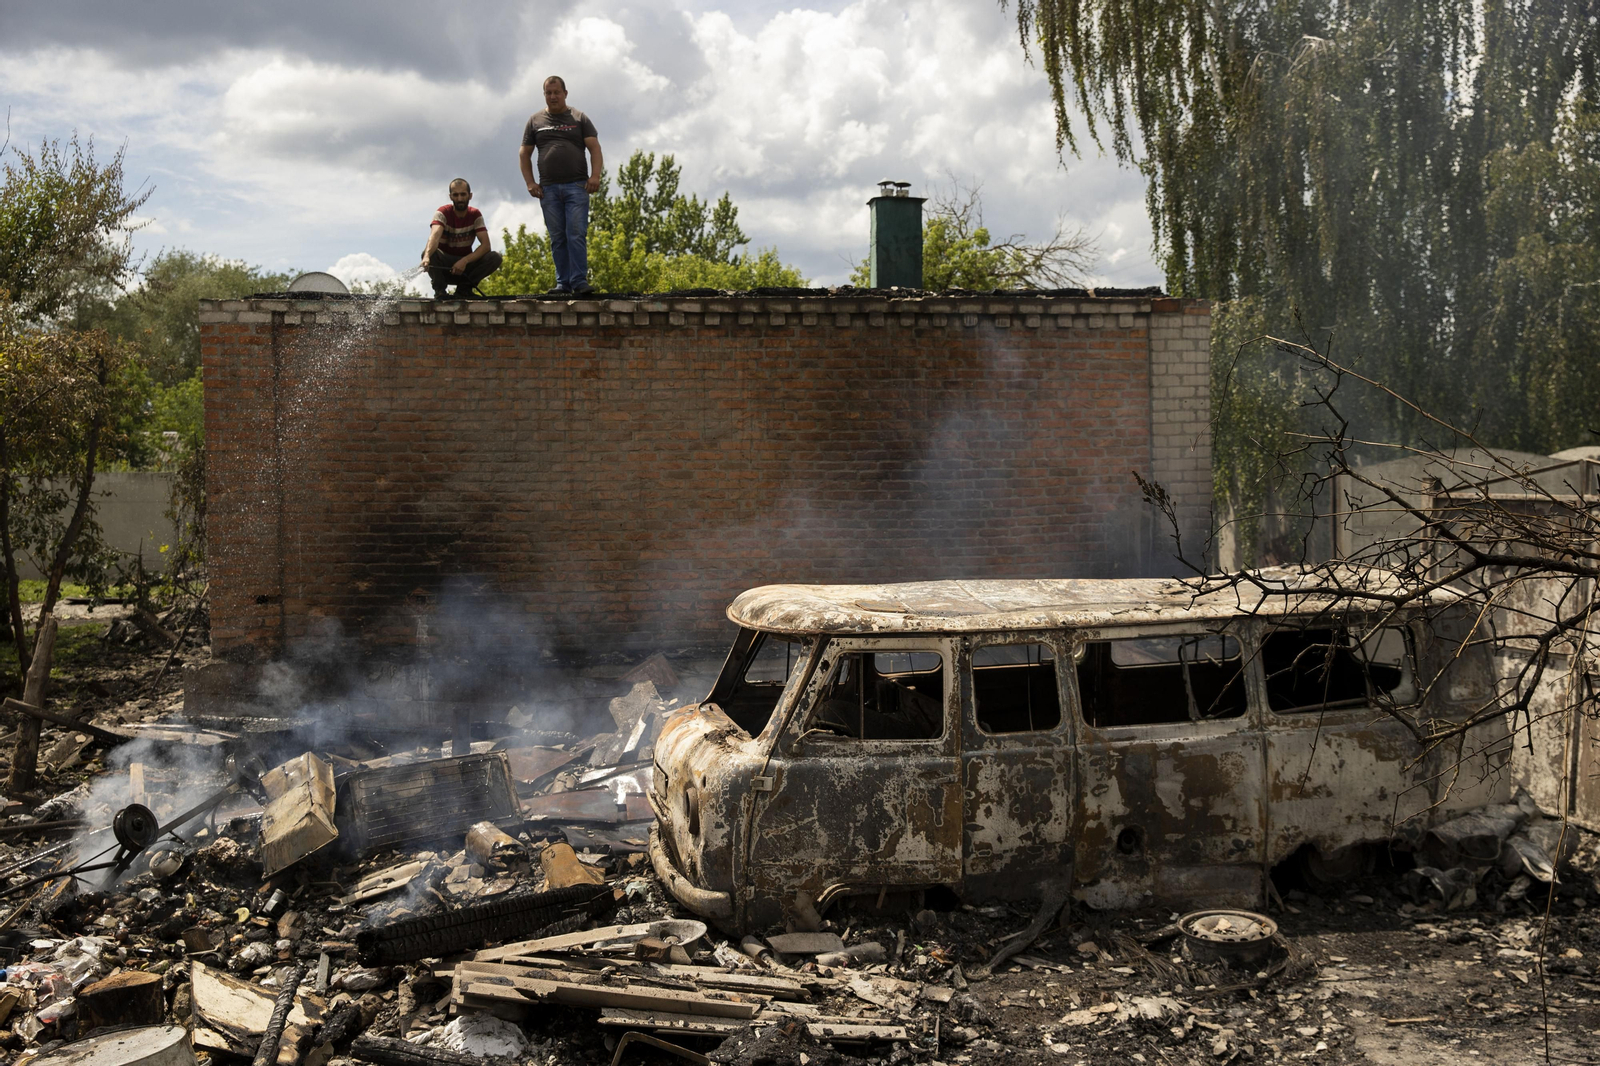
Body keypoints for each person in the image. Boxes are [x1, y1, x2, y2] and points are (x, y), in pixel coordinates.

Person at [519, 76, 603, 294]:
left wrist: (595, 176)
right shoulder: (535, 121)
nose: (553, 96)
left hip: (577, 186)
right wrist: (530, 182)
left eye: (556, 92)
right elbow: (524, 153)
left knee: (575, 234)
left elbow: (594, 148)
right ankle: (563, 283)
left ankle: (579, 281)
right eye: (548, 93)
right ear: (544, 95)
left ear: (565, 93)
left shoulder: (579, 118)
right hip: (548, 189)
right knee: (557, 237)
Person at [421, 178, 503, 298]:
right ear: (450, 197)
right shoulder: (442, 213)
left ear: (470, 196)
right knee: (429, 253)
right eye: (456, 195)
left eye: (463, 194)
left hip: (465, 270)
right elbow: (434, 236)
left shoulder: (475, 215)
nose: (459, 199)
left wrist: (464, 261)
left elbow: (486, 246)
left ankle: (464, 290)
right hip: (443, 267)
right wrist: (427, 257)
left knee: (495, 257)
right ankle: (440, 291)